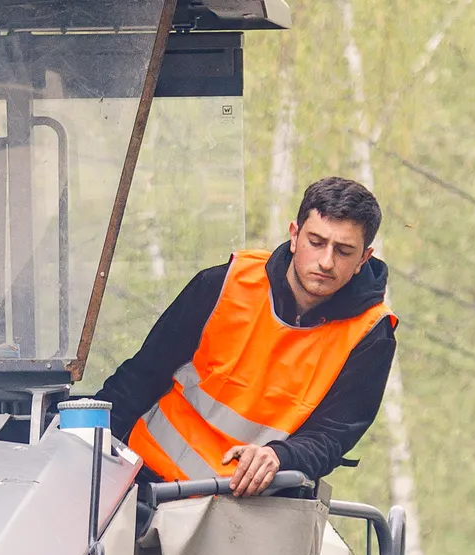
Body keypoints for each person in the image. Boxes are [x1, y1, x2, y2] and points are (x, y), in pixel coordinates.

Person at [96, 176, 396, 498]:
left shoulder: (370, 335)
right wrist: (88, 437)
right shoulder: (224, 284)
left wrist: (279, 456)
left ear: (364, 258)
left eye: (344, 251)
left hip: (244, 509)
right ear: (294, 236)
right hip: (144, 482)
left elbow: (331, 436)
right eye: (316, 242)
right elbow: (142, 376)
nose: (326, 261)